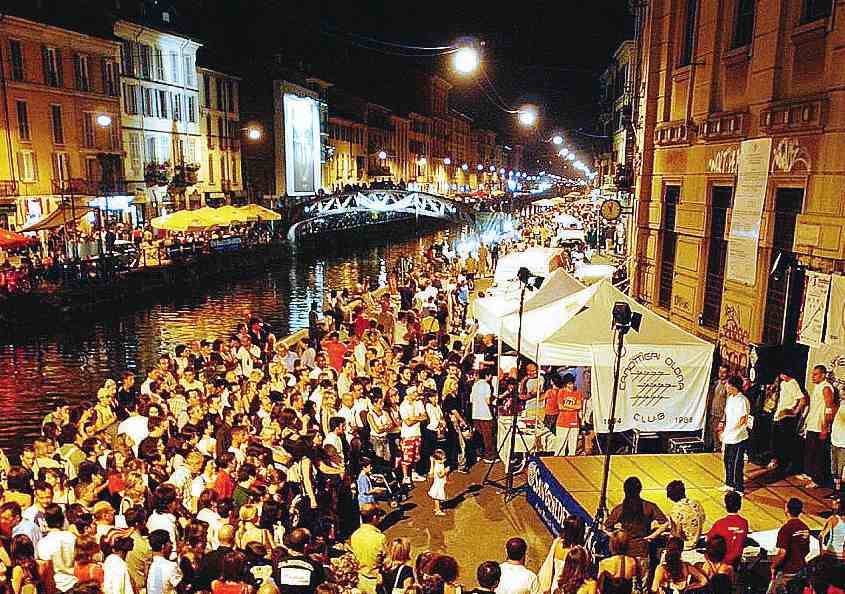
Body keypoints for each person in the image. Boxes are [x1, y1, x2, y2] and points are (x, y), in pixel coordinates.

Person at [605, 477, 668, 570]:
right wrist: (652, 536)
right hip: (642, 550)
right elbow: (666, 523)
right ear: (640, 490)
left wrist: (617, 537)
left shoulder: (620, 508)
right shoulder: (649, 506)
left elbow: (606, 527)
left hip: (625, 552)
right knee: (642, 582)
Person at [798, 365, 836, 489]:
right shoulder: (818, 387)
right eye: (812, 374)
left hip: (820, 426)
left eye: (816, 374)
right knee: (810, 451)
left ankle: (817, 479)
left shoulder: (826, 388)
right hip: (812, 424)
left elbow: (829, 408)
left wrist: (825, 426)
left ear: (823, 375)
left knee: (818, 454)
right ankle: (809, 473)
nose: (812, 377)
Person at [768, 497, 810, 594]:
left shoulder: (786, 529)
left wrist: (773, 566)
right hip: (801, 569)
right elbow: (806, 550)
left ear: (787, 509)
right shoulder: (805, 528)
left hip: (788, 572)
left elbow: (782, 553)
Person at [768, 370, 807, 476]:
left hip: (786, 417)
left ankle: (788, 465)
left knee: (786, 441)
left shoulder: (793, 383)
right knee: (776, 441)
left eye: (782, 374)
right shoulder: (783, 383)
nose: (781, 376)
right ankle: (777, 462)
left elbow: (802, 400)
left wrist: (794, 412)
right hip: (778, 415)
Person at [721, 375, 750, 495]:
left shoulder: (742, 400)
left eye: (728, 385)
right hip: (729, 435)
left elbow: (743, 419)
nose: (726, 387)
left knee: (737, 462)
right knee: (727, 459)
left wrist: (733, 429)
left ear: (733, 386)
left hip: (739, 436)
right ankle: (729, 484)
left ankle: (739, 488)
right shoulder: (730, 398)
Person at [349, 506, 386, 594]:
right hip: (376, 580)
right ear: (374, 517)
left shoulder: (355, 535)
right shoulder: (380, 538)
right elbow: (387, 561)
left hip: (360, 579)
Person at [706, 491, 749, 568]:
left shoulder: (719, 523)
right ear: (739, 506)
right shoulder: (744, 523)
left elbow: (708, 539)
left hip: (721, 562)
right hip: (736, 562)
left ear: (725, 506)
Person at [665, 480, 705, 553]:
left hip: (684, 545)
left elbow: (677, 533)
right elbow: (703, 519)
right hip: (696, 539)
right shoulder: (696, 503)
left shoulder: (676, 509)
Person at [147, 529, 182, 594]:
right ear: (163, 546)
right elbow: (182, 589)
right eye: (169, 542)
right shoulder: (171, 566)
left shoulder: (150, 565)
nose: (171, 545)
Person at [471, 369, 495, 463]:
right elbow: (487, 401)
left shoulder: (475, 385)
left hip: (475, 413)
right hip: (485, 414)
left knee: (479, 435)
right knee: (487, 436)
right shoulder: (486, 385)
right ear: (487, 375)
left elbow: (471, 399)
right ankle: (489, 455)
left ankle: (479, 454)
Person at [555, 374, 582, 457]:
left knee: (573, 445)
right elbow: (560, 407)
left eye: (572, 383)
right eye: (569, 384)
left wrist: (566, 407)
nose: (572, 385)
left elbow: (579, 406)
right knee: (561, 444)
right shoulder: (561, 392)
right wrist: (573, 408)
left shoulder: (577, 393)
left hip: (574, 422)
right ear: (566, 384)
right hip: (562, 422)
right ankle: (557, 460)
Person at [707, 365, 729, 452]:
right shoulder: (716, 383)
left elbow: (729, 403)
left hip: (721, 414)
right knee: (713, 434)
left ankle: (719, 451)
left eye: (724, 372)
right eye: (720, 372)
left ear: (728, 373)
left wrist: (723, 418)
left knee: (719, 436)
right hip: (713, 413)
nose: (721, 374)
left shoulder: (728, 386)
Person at [428, 449, 448, 516]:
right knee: (437, 497)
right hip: (438, 484)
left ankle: (437, 508)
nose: (444, 460)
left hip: (438, 483)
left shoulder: (438, 464)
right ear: (437, 460)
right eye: (442, 459)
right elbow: (440, 475)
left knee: (436, 497)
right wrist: (445, 472)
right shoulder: (438, 466)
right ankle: (438, 510)